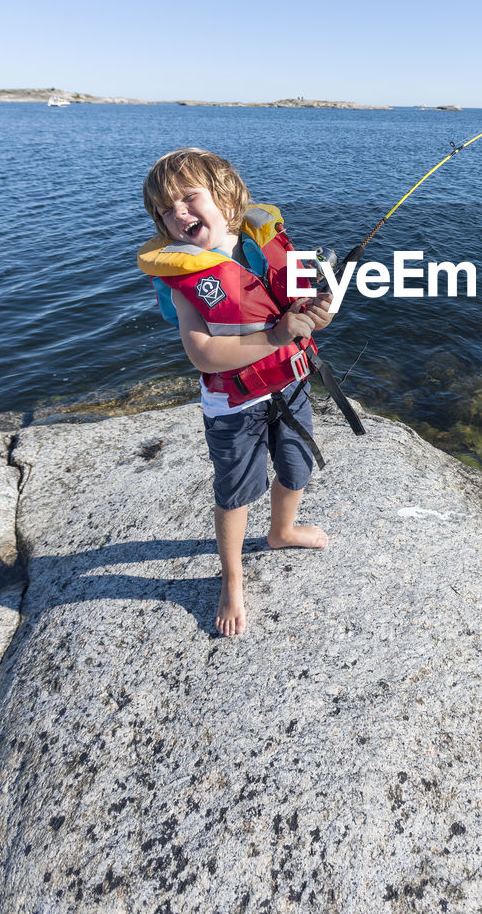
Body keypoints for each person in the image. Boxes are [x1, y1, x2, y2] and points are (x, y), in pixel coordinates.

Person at [139, 148, 335, 637]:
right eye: (165, 209)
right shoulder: (185, 277)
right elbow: (203, 354)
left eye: (188, 198)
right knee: (238, 490)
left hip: (289, 388)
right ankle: (231, 577)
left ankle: (282, 531)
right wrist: (274, 336)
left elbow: (296, 306)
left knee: (296, 467)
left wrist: (317, 314)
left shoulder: (263, 245)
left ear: (228, 197)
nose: (178, 214)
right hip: (234, 405)